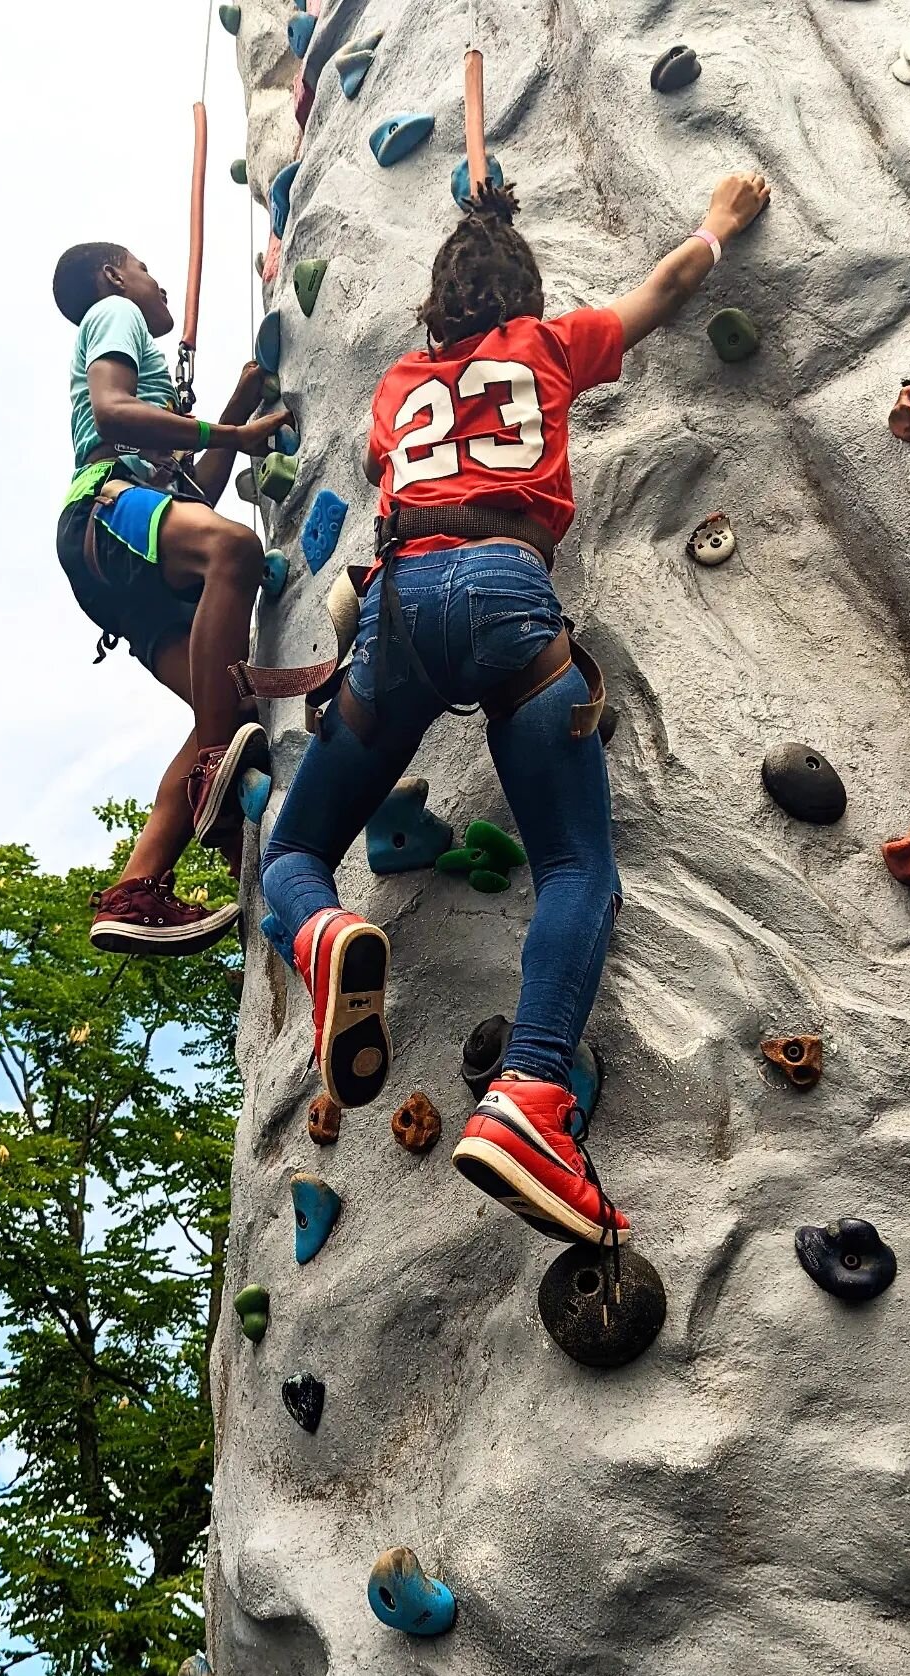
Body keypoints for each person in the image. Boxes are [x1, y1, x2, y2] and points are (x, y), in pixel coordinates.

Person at [260, 172, 771, 1244]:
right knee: (576, 868)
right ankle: (532, 1095)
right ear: (523, 295)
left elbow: (381, 464)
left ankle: (324, 933)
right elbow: (666, 287)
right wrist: (718, 228)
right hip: (509, 592)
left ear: (433, 308)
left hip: (399, 606)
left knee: (295, 848)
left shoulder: (398, 383)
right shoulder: (548, 344)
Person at [52, 242, 292, 955]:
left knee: (231, 703)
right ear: (112, 276)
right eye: (145, 267)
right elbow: (113, 413)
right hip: (107, 506)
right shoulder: (114, 311)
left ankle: (137, 884)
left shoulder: (134, 340)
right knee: (236, 550)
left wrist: (238, 407)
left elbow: (198, 496)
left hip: (124, 557)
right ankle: (219, 764)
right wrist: (232, 431)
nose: (156, 283)